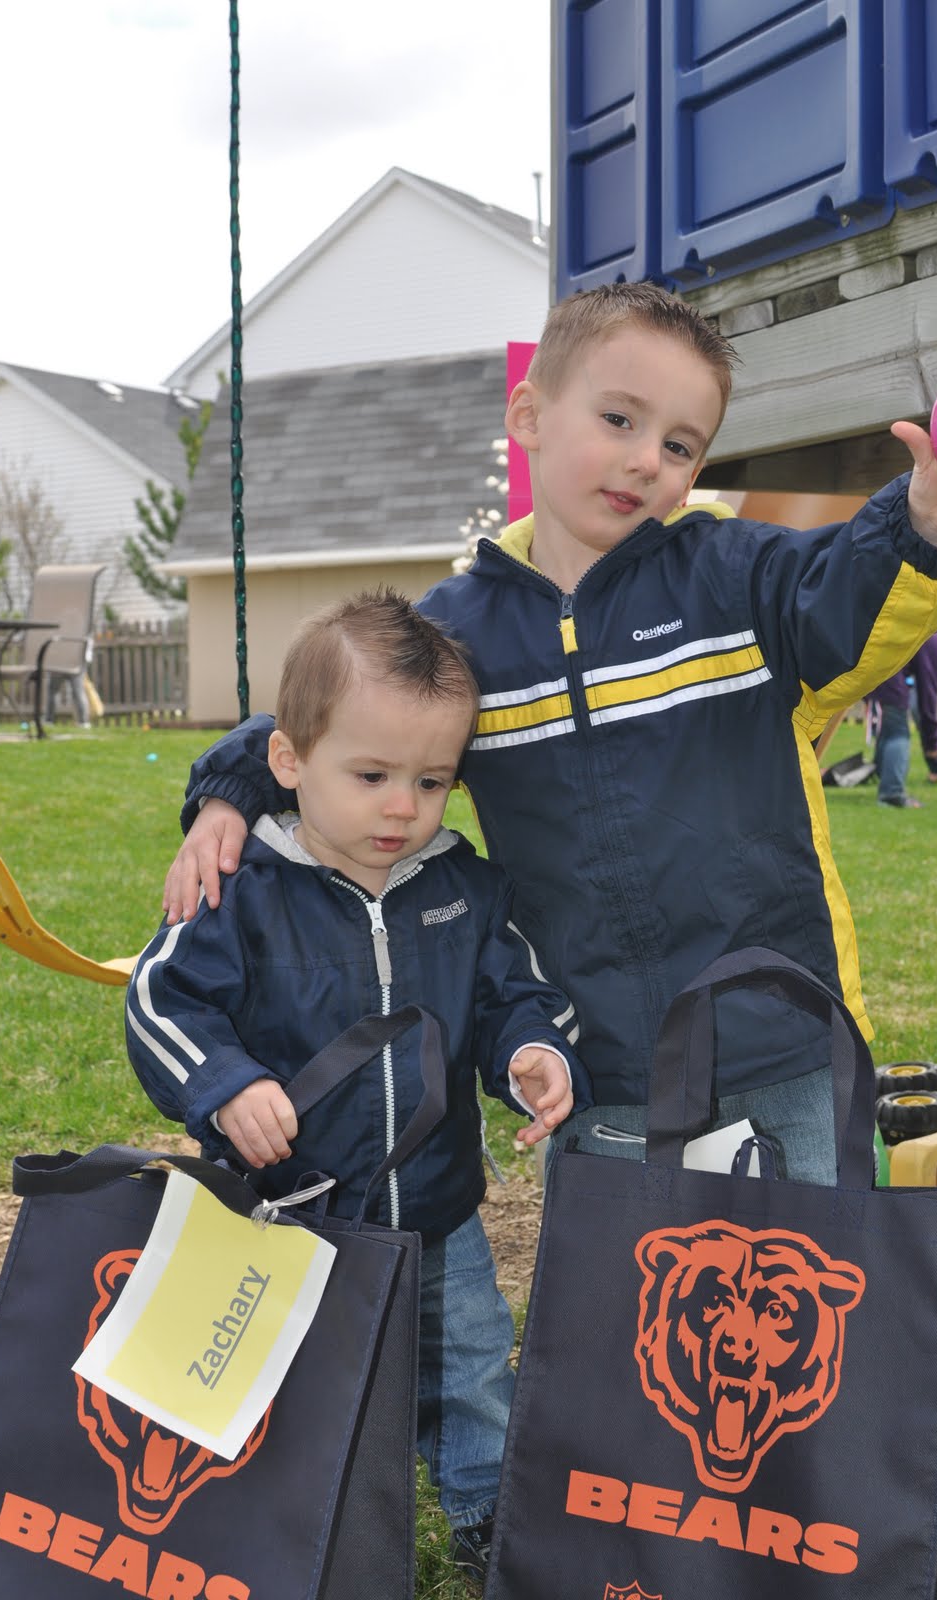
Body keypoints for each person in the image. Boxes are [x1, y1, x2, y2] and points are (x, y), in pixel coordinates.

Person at [161, 282, 937, 1187]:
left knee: (812, 1271)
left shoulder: (734, 577)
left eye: (678, 446)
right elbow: (342, 722)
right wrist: (232, 789)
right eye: (618, 419)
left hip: (782, 1037)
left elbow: (847, 596)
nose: (644, 460)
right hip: (596, 1059)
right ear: (529, 415)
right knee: (625, 1276)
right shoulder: (462, 635)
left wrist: (924, 522)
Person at [126, 589, 590, 1590]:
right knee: (288, 1373)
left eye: (431, 781)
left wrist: (530, 1052)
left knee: (469, 1362)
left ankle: (485, 1509)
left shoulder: (463, 886)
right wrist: (225, 1082)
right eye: (371, 775)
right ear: (289, 761)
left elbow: (513, 993)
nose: (401, 808)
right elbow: (161, 1002)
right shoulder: (239, 887)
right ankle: (283, 1521)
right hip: (282, 1213)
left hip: (438, 1209)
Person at [870, 631, 937, 807]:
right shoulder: (936, 643)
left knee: (889, 731)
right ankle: (892, 793)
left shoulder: (929, 634)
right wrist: (932, 743)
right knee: (898, 734)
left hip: (875, 673)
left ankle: (885, 777)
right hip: (889, 680)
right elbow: (928, 698)